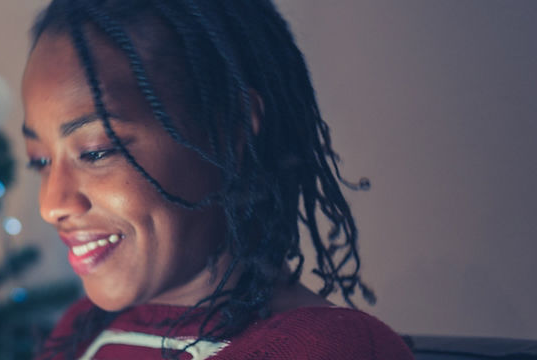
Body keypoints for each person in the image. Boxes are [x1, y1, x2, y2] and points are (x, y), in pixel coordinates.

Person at [21, 0, 415, 359]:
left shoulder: (325, 348)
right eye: (39, 160)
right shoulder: (83, 327)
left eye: (94, 151)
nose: (51, 204)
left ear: (231, 130)